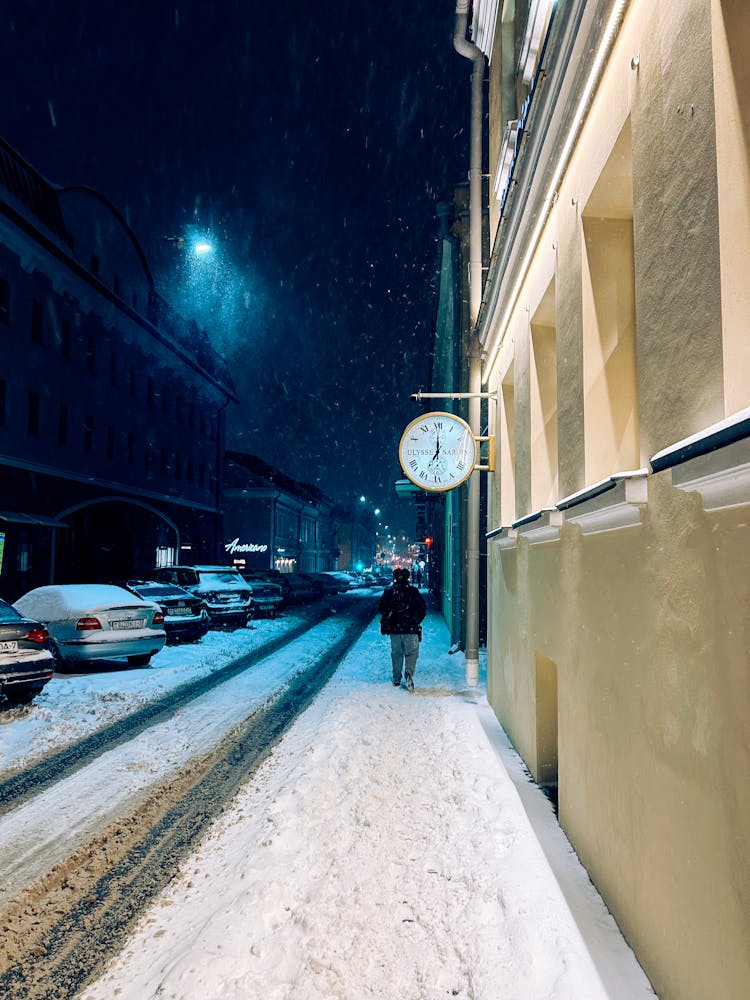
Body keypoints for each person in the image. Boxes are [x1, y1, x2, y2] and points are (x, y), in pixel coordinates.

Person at [378, 567, 427, 692]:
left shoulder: (389, 592)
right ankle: (409, 673)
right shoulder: (413, 592)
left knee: (396, 654)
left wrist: (389, 618)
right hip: (410, 629)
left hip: (395, 629)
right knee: (411, 653)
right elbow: (422, 608)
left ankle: (396, 678)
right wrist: (415, 620)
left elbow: (382, 607)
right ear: (408, 578)